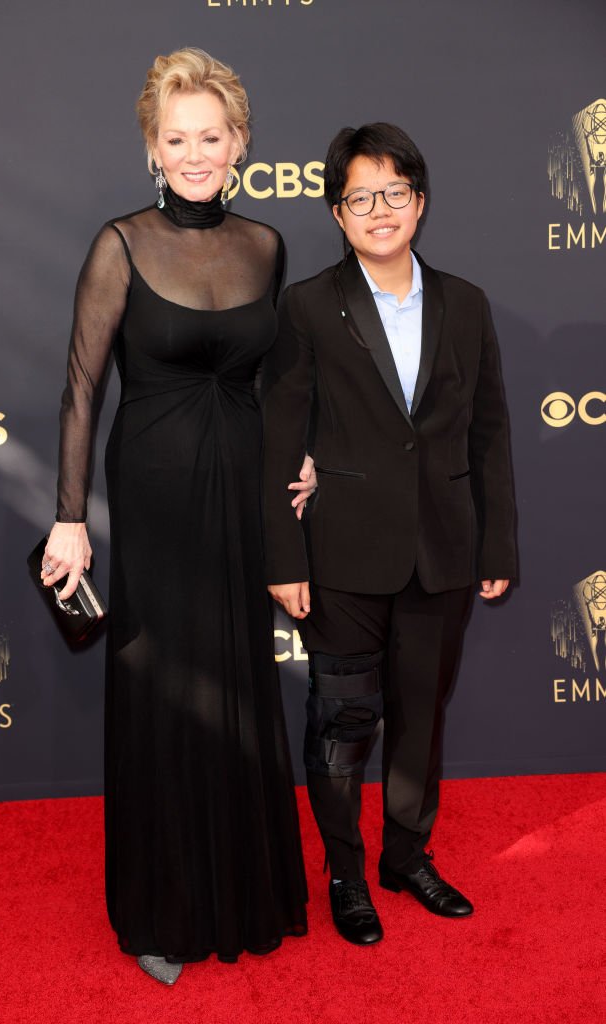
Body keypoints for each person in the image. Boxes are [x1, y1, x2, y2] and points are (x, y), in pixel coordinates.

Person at [42, 48, 311, 984]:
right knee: (162, 687)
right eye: (175, 138)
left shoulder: (267, 245)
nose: (194, 153)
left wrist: (298, 458)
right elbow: (81, 386)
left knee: (236, 672)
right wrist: (70, 517)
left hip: (242, 484)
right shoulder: (118, 244)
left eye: (211, 136)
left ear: (239, 143)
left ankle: (245, 888)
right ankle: (160, 909)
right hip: (153, 493)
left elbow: (272, 379)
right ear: (152, 148)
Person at [262, 123, 517, 946]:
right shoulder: (306, 305)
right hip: (339, 555)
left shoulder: (466, 303)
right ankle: (343, 871)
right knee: (341, 724)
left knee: (420, 718)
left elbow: (488, 435)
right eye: (360, 197)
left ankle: (405, 856)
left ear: (420, 200)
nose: (380, 210)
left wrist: (496, 547)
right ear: (337, 213)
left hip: (442, 550)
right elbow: (279, 439)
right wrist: (283, 554)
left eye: (394, 193)